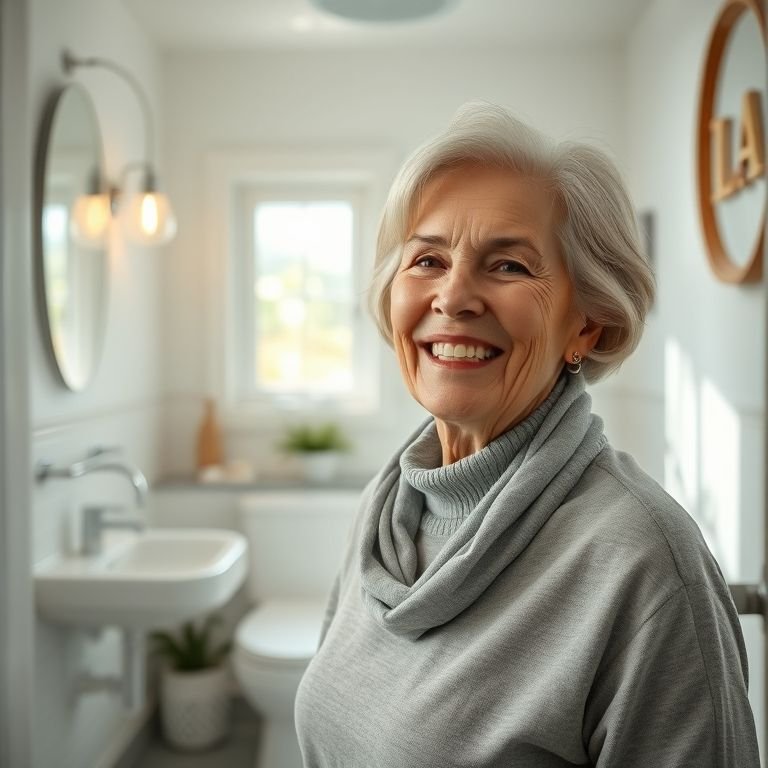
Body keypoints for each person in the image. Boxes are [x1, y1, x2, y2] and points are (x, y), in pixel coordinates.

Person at [294, 102, 760, 767]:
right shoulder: (387, 506)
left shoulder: (643, 565)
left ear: (587, 325)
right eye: (426, 259)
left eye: (508, 266)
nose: (452, 298)